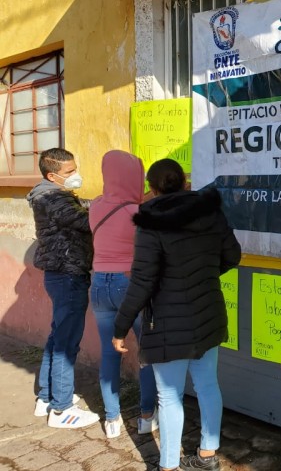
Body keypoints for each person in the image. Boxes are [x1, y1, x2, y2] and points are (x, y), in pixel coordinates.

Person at [113, 159, 241, 471]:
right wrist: (205, 275)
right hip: (208, 313)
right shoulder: (211, 212)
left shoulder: (150, 222)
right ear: (185, 182)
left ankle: (169, 466)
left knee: (169, 398)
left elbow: (142, 282)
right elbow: (233, 256)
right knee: (208, 385)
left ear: (152, 189)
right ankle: (207, 457)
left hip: (168, 323)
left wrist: (120, 327)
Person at [27, 147, 100, 428]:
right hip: (68, 275)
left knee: (58, 337)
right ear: (52, 175)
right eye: (69, 172)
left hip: (61, 275)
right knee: (66, 344)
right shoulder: (53, 198)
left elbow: (84, 207)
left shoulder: (52, 195)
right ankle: (62, 409)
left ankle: (46, 397)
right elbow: (89, 220)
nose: (75, 175)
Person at [90, 150, 158, 439]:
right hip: (129, 285)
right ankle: (145, 416)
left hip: (98, 285)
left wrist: (147, 196)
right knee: (146, 352)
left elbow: (132, 201)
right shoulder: (138, 213)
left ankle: (112, 420)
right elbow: (141, 208)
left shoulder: (94, 205)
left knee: (109, 352)